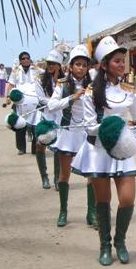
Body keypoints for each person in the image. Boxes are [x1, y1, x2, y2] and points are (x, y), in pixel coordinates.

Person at [71, 36, 136, 266]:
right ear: (104, 65)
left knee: (127, 199)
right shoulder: (91, 92)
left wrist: (135, 143)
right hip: (99, 152)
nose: (122, 65)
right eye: (117, 61)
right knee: (103, 201)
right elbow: (89, 126)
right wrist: (111, 127)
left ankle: (120, 242)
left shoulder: (128, 91)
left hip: (123, 152)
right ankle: (105, 245)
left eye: (123, 60)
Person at [47, 44, 97, 228]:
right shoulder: (62, 84)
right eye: (78, 64)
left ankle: (91, 213)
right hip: (68, 133)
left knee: (91, 175)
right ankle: (63, 211)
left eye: (84, 65)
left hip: (87, 133)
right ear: (71, 66)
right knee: (64, 175)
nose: (81, 68)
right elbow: (51, 106)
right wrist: (71, 98)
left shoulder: (93, 85)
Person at [32, 50, 64, 190]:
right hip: (45, 115)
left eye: (53, 63)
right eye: (49, 63)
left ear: (59, 65)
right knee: (40, 145)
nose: (50, 66)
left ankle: (57, 178)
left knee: (58, 147)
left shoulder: (65, 80)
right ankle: (44, 177)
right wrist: (55, 102)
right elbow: (41, 99)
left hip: (60, 116)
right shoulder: (40, 79)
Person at [6, 51, 40, 155]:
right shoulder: (15, 71)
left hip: (35, 103)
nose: (26, 60)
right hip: (20, 104)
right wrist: (8, 97)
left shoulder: (36, 70)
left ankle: (35, 148)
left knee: (36, 126)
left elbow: (45, 79)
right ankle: (21, 148)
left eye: (27, 58)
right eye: (23, 58)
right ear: (20, 61)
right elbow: (11, 84)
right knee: (19, 125)